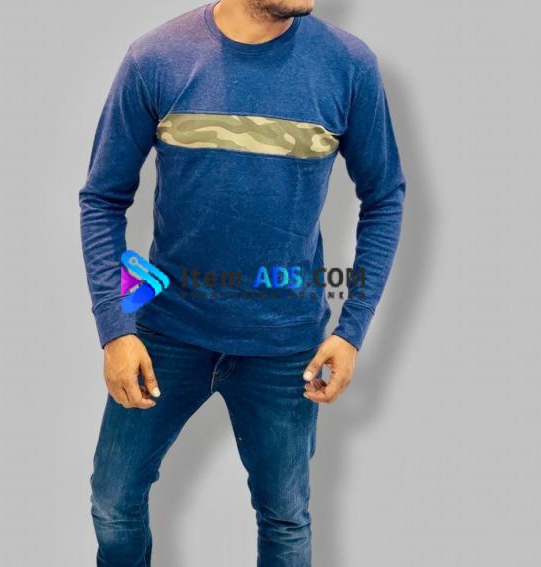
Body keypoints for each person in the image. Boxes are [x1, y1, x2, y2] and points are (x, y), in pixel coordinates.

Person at [79, 1, 406, 565]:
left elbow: (384, 198)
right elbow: (102, 199)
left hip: (285, 348)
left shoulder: (348, 66)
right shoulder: (156, 59)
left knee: (285, 519)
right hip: (164, 335)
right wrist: (116, 329)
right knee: (113, 503)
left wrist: (351, 331)